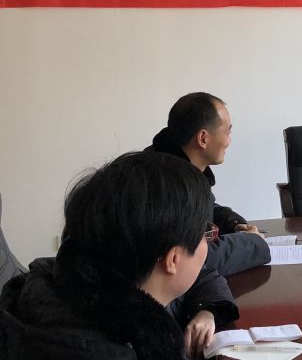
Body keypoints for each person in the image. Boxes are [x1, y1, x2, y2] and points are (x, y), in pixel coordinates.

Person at [0, 152, 238, 360]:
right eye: (205, 234)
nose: (208, 240)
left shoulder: (72, 280)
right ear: (173, 260)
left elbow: (204, 275)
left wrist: (208, 311)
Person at [148, 92, 270, 276]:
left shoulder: (172, 164)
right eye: (227, 132)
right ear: (203, 138)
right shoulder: (166, 186)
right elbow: (190, 261)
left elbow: (204, 208)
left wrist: (234, 224)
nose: (229, 141)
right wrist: (252, 244)